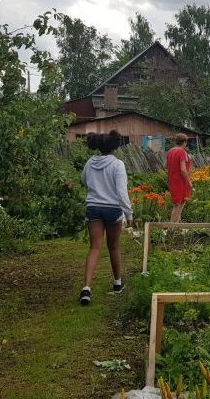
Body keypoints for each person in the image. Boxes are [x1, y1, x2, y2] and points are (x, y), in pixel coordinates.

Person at [79, 130, 132, 306]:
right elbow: (122, 192)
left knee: (94, 247)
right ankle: (117, 283)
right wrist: (129, 214)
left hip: (93, 207)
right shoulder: (118, 165)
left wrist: (97, 189)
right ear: (114, 147)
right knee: (113, 247)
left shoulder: (90, 163)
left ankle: (86, 288)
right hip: (112, 209)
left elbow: (84, 181)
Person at [166, 133, 192, 222]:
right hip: (180, 181)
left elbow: (166, 166)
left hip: (172, 180)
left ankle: (177, 226)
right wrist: (189, 181)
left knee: (181, 202)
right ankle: (171, 228)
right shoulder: (181, 152)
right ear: (184, 142)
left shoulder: (170, 151)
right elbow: (183, 169)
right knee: (177, 205)